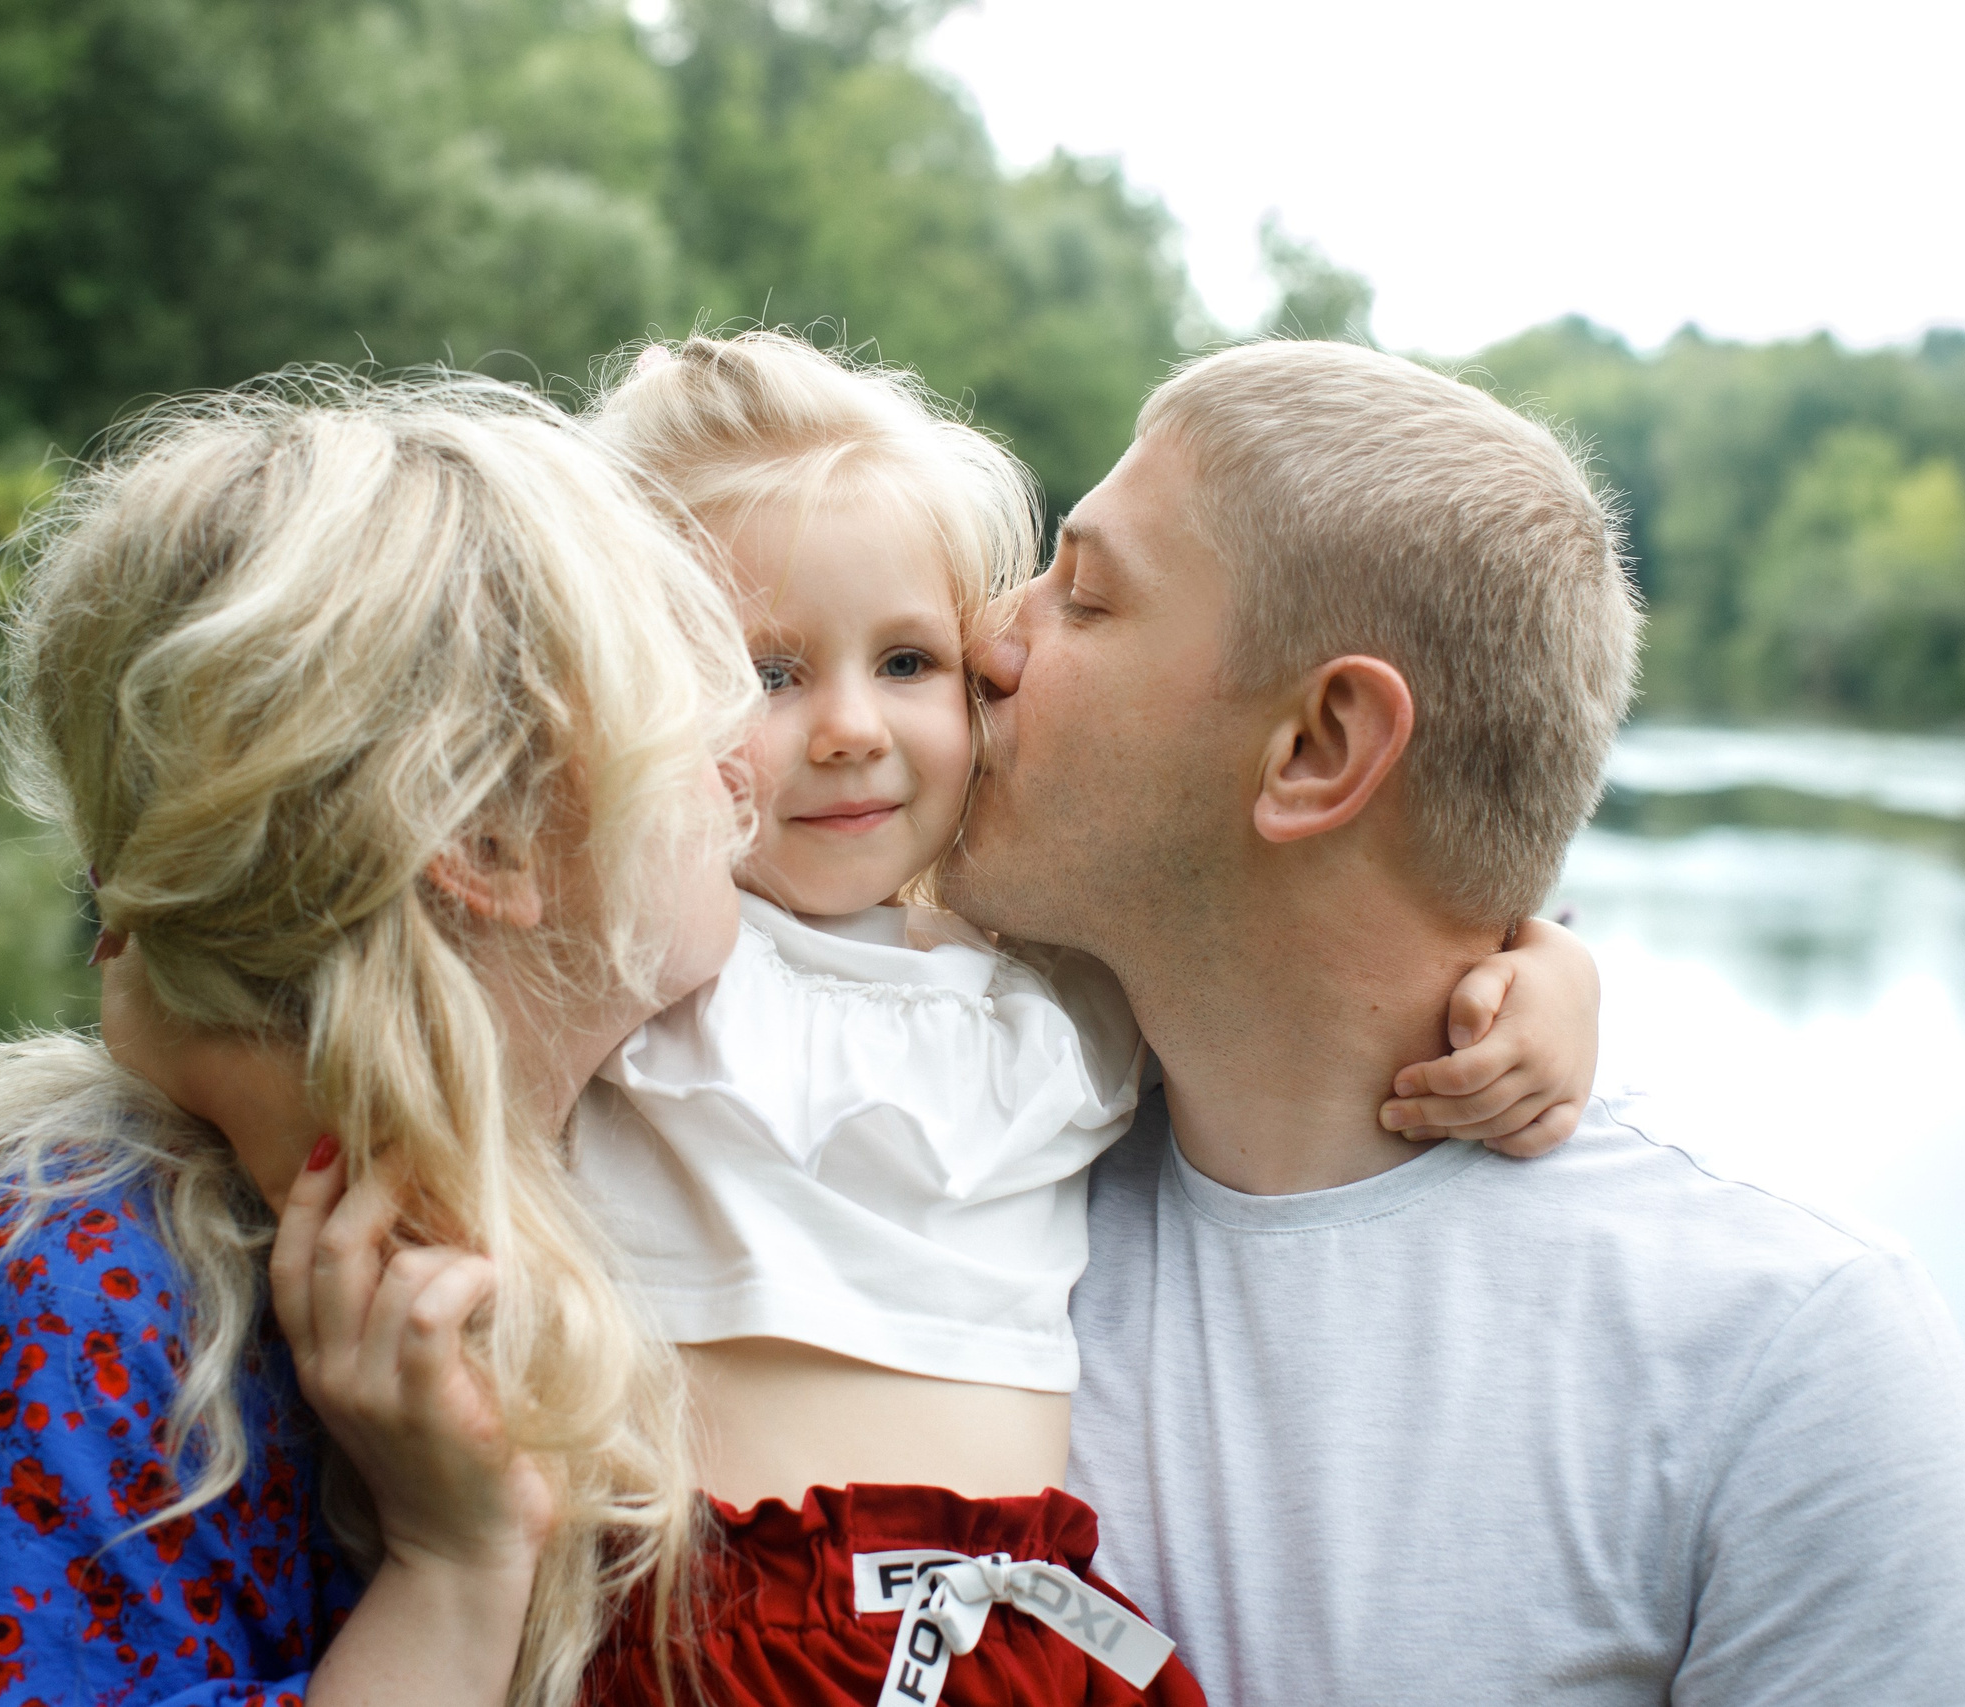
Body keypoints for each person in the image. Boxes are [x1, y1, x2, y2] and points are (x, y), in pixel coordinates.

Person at [107, 330, 1607, 1706]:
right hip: (697, 1622)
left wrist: (1539, 969)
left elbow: (1296, 964)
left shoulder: (1053, 990)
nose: (847, 728)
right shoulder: (651, 956)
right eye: (764, 674)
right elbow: (318, 1022)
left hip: (1014, 1635)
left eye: (909, 663)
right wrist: (165, 1003)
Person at [938, 337, 1965, 1705]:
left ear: (1319, 749)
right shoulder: (922, 1170)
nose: (985, 639)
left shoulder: (1788, 1356)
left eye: (1086, 596)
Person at [0, 374, 762, 1707]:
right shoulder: (78, 1297)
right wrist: (454, 1571)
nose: (742, 761)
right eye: (687, 711)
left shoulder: (553, 1183)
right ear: (482, 840)